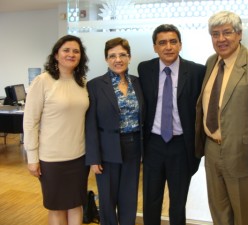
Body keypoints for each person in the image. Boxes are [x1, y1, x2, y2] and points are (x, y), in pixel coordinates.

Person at [195, 11, 248, 225]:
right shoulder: (211, 62)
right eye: (215, 34)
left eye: (227, 32)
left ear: (239, 34)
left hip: (242, 155)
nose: (221, 39)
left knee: (245, 216)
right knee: (219, 213)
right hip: (212, 150)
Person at [138, 24, 206, 225]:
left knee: (178, 203)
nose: (168, 47)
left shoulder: (196, 71)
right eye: (162, 43)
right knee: (151, 200)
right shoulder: (145, 69)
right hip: (153, 144)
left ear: (180, 45)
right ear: (155, 47)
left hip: (181, 146)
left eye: (173, 41)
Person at [23, 35, 90, 225]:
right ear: (56, 55)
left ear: (81, 56)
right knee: (57, 207)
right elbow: (30, 122)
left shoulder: (82, 82)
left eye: (76, 51)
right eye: (66, 50)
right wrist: (32, 158)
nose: (71, 54)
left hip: (79, 156)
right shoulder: (42, 81)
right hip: (52, 159)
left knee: (76, 204)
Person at [85, 37, 144, 225]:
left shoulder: (138, 83)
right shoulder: (95, 85)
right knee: (107, 200)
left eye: (122, 55)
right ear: (106, 59)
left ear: (129, 57)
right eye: (112, 56)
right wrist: (93, 158)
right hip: (106, 150)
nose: (117, 60)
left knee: (129, 198)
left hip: (133, 147)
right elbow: (90, 124)